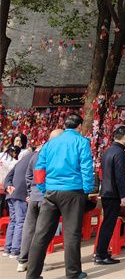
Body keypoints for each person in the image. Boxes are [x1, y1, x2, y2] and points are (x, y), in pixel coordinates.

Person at [27, 114, 94, 279]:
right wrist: (87, 190)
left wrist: (43, 188)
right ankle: (73, 273)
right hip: (73, 191)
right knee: (71, 234)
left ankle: (32, 275)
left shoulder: (50, 144)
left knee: (41, 235)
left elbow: (39, 168)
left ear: (65, 126)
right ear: (79, 126)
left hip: (51, 192)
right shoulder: (81, 142)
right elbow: (86, 167)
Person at [16, 129, 63, 273]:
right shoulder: (54, 154)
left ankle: (23, 261)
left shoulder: (36, 154)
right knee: (42, 233)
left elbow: (29, 176)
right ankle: (36, 264)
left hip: (34, 196)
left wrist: (31, 192)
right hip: (46, 197)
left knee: (29, 229)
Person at [95, 125, 125, 265]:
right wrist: (123, 195)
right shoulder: (119, 152)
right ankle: (101, 255)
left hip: (106, 191)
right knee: (108, 225)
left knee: (106, 224)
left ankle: (100, 253)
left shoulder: (108, 151)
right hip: (113, 193)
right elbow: (119, 176)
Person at [3, 147, 35, 258]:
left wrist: (8, 186)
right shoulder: (36, 158)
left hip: (11, 193)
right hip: (21, 194)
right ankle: (15, 250)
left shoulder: (21, 160)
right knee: (20, 222)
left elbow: (8, 176)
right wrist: (30, 193)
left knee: (13, 221)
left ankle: (8, 248)